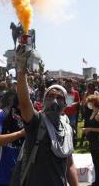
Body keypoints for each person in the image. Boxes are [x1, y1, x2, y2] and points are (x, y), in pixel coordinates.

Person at [11, 45, 78, 186]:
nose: (54, 100)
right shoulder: (37, 121)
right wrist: (21, 71)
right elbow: (24, 103)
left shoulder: (66, 128)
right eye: (51, 96)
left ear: (65, 103)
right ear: (44, 100)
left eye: (59, 97)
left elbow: (70, 164)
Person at [0, 90, 25, 186]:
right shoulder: (1, 114)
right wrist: (21, 133)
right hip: (3, 173)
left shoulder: (26, 116)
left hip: (22, 173)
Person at [82, 94, 99, 186]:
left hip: (97, 141)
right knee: (94, 162)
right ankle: (95, 181)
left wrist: (89, 129)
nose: (88, 104)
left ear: (94, 103)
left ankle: (97, 182)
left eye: (90, 102)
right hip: (92, 140)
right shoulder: (93, 112)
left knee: (97, 162)